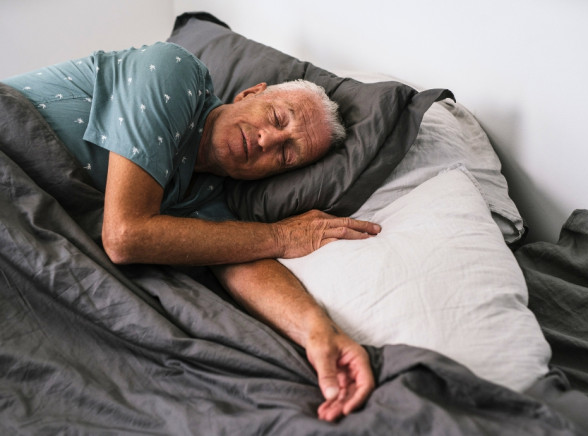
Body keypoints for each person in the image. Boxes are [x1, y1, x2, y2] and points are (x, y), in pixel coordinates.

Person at [3, 41, 381, 421]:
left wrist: (319, 333)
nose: (268, 140)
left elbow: (242, 261)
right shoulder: (174, 70)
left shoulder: (205, 198)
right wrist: (280, 235)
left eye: (285, 155)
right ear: (251, 93)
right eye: (278, 118)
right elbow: (125, 235)